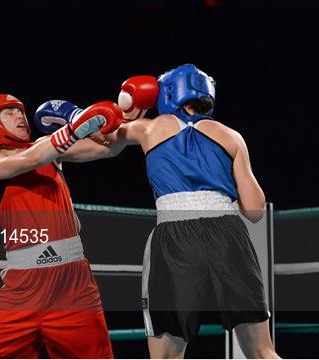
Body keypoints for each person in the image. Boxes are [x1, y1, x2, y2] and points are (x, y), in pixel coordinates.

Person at [43, 64, 280, 358]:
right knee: (261, 351)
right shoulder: (232, 136)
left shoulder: (150, 127)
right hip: (229, 233)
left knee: (166, 356)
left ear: (166, 93)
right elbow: (255, 210)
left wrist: (75, 115)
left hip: (176, 233)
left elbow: (102, 136)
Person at [0, 94, 123, 359]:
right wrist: (73, 127)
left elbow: (111, 148)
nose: (20, 117)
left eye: (20, 111)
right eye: (8, 112)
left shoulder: (49, 149)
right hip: (22, 288)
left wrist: (123, 112)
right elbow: (31, 161)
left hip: (72, 285)